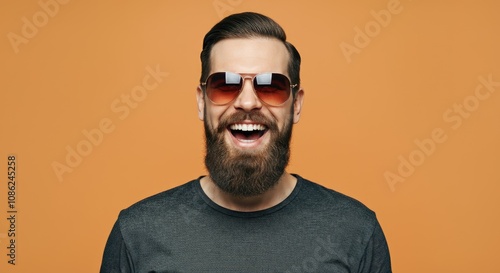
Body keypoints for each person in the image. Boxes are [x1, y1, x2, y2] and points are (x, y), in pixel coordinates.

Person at [100, 12, 392, 273]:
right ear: (202, 102)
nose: (248, 102)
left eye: (271, 85)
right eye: (225, 84)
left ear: (296, 104)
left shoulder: (355, 230)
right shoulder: (138, 232)